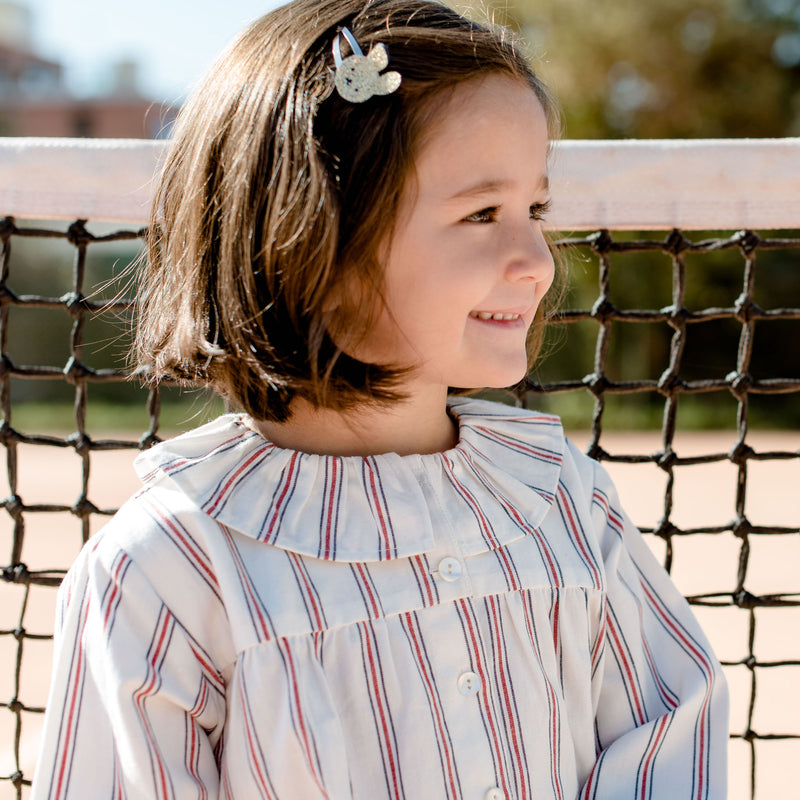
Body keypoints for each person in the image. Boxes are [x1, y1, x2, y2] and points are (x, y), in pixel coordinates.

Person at [31, 1, 729, 797]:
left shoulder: (562, 500)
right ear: (312, 244)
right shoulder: (169, 570)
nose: (536, 258)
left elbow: (671, 729)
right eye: (481, 214)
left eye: (534, 209)